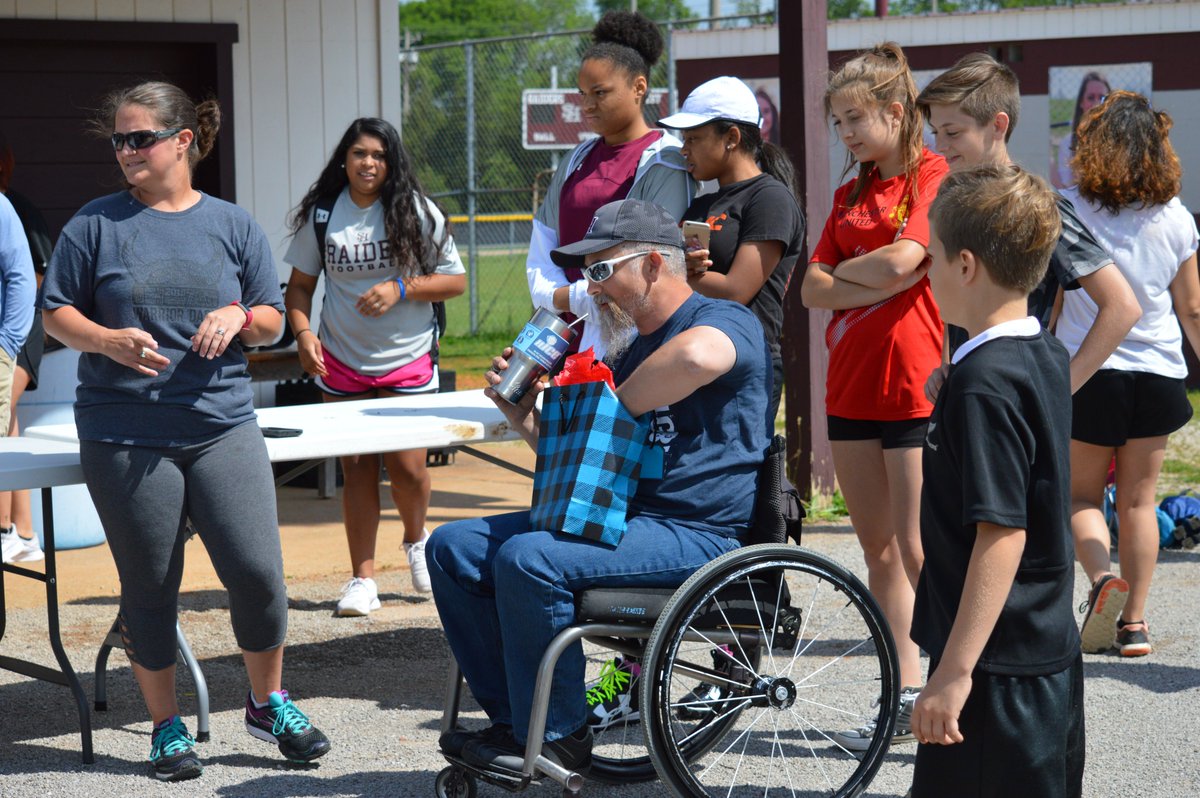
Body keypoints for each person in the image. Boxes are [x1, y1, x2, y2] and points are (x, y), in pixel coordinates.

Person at [40, 81, 330, 782]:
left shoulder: (231, 224)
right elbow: (55, 314)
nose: (126, 150)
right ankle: (166, 729)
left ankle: (266, 703)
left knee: (259, 574)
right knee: (150, 585)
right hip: (126, 432)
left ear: (182, 142)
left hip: (221, 423)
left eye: (139, 138)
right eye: (118, 139)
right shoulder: (95, 225)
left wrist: (238, 316)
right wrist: (107, 341)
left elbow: (267, 315)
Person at [427, 198, 770, 776]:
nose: (592, 287)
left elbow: (698, 356)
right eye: (587, 273)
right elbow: (584, 467)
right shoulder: (630, 347)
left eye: (604, 270)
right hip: (624, 520)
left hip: (696, 535)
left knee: (530, 558)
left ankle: (561, 737)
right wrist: (521, 414)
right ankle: (520, 724)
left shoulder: (721, 319)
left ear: (656, 265)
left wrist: (617, 402)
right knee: (452, 547)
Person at [911, 165, 1083, 798]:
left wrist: (953, 675)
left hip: (992, 669)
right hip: (1038, 652)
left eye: (931, 257)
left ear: (964, 265)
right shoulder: (1038, 352)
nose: (925, 272)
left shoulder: (985, 383)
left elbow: (1003, 532)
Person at [799, 42, 947, 750]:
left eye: (857, 118)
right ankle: (904, 687)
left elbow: (911, 258)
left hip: (915, 384)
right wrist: (883, 274)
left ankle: (956, 683)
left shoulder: (933, 174)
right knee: (878, 549)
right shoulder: (848, 194)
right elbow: (809, 286)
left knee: (921, 546)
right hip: (850, 385)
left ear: (896, 111)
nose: (848, 134)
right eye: (839, 122)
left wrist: (867, 272)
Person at [283, 118, 466, 616]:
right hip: (341, 360)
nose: (369, 163)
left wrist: (400, 288)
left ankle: (415, 540)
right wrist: (303, 335)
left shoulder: (416, 212)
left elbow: (454, 281)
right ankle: (362, 579)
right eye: (360, 153)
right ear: (345, 158)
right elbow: (298, 288)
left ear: (392, 163)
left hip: (407, 359)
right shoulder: (323, 216)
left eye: (379, 156)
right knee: (357, 468)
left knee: (407, 470)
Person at [1058, 92, 1200, 658]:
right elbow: (1191, 309)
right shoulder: (1178, 218)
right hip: (1159, 373)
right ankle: (1135, 624)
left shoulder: (1068, 205)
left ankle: (1099, 583)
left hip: (1091, 369)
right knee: (1140, 503)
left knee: (1081, 497)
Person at [917, 53, 1140, 395]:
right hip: (966, 392)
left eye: (952, 132)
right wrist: (947, 364)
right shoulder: (952, 199)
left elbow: (1122, 306)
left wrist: (1059, 390)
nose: (941, 146)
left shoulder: (1037, 205)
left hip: (1015, 395)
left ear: (998, 125)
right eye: (935, 132)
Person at [526, 10, 694, 360]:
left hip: (629, 342)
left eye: (599, 93)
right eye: (583, 93)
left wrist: (583, 295)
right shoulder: (577, 159)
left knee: (606, 417)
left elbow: (647, 263)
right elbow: (541, 253)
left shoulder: (665, 161)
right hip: (558, 335)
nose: (587, 105)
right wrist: (570, 297)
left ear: (639, 87)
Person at [659, 75, 805, 423]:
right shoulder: (701, 203)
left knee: (741, 475)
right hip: (694, 356)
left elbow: (737, 290)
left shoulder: (769, 198)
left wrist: (677, 272)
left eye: (693, 138)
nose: (684, 149)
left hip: (745, 361)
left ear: (732, 138)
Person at [0, 131, 53, 564]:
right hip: (15, 335)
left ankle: (3, 531)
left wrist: (7, 341)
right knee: (9, 422)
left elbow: (36, 279)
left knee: (1, 429)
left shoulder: (15, 207)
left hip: (19, 333)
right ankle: (26, 535)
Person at [1051, 71, 1110, 190]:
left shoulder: (1121, 139)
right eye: (1090, 97)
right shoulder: (1068, 143)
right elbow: (1065, 189)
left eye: (1102, 98)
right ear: (1082, 103)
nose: (1097, 103)